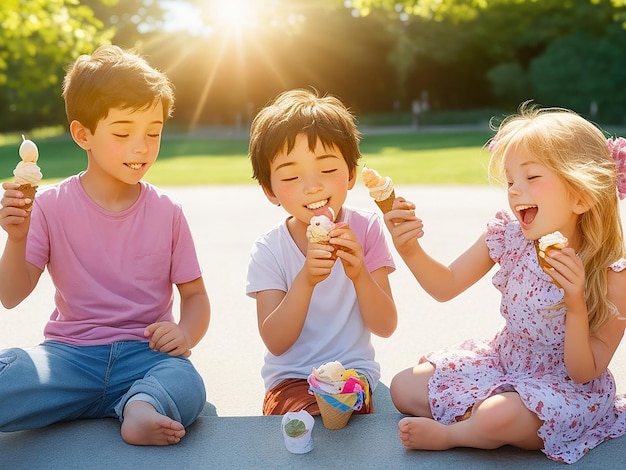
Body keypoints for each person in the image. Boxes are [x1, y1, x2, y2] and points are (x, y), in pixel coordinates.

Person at [383, 102, 626, 463]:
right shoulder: (510, 236)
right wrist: (409, 248)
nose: (513, 190)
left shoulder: (612, 274)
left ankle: (457, 434)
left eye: (531, 177)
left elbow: (583, 372)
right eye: (511, 180)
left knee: (499, 415)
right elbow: (445, 285)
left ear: (581, 196)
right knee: (403, 388)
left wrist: (575, 302)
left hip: (565, 390)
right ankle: (485, 424)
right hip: (503, 362)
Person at [0, 45, 210, 446]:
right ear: (83, 135)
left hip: (145, 357)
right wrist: (16, 238)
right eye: (122, 132)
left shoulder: (167, 212)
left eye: (153, 132)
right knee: (10, 374)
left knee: (186, 382)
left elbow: (196, 295)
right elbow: (10, 295)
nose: (142, 147)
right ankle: (127, 403)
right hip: (69, 359)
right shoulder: (48, 206)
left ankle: (140, 407)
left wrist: (185, 332)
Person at [246, 88, 397, 415]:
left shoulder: (367, 229)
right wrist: (306, 281)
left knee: (343, 412)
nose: (313, 186)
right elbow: (275, 341)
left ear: (351, 175)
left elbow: (385, 325)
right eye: (290, 175)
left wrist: (358, 274)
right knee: (306, 418)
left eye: (327, 170)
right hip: (291, 378)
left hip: (353, 374)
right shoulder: (269, 249)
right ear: (270, 191)